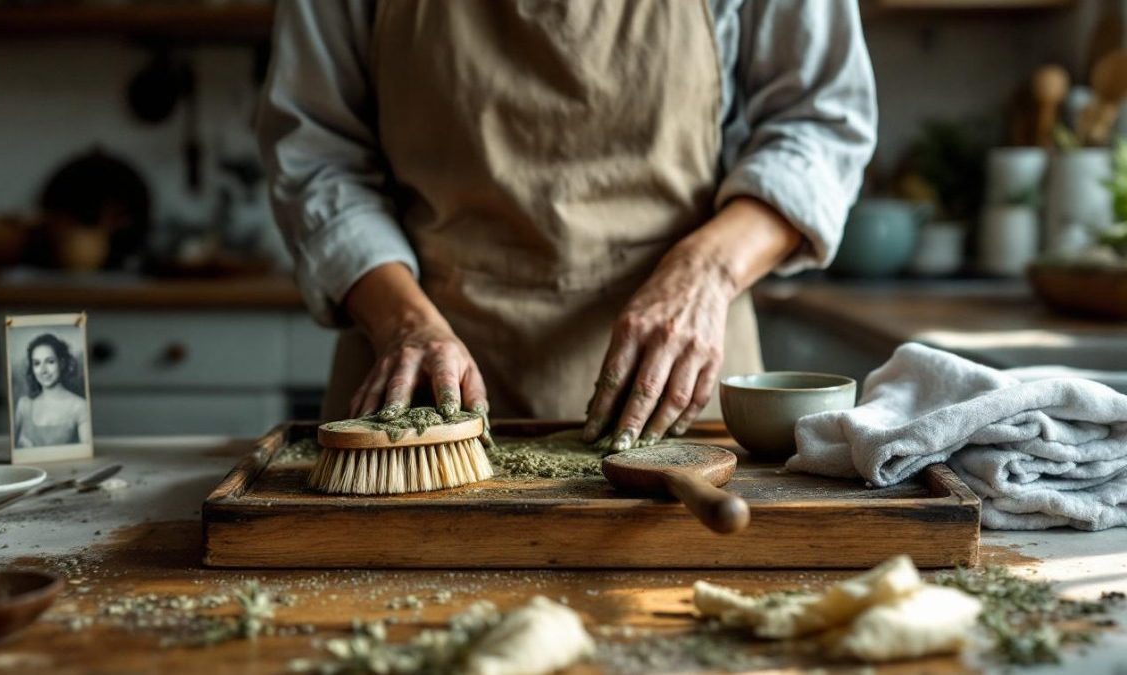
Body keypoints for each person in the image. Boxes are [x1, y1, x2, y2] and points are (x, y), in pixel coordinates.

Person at [258, 0, 877, 450]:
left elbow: (819, 122)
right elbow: (316, 154)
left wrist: (705, 274)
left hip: (682, 379)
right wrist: (405, 326)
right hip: (419, 377)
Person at [14, 333, 91, 448]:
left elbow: (86, 454)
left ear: (62, 363)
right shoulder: (24, 406)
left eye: (50, 361)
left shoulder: (79, 406)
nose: (43, 370)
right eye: (37, 363)